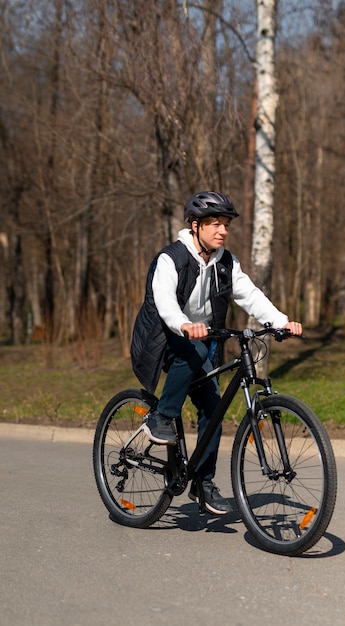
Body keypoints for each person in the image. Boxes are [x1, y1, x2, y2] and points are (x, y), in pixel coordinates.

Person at [130, 191, 302, 515]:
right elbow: (164, 300)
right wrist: (183, 324)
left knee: (214, 408)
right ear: (195, 226)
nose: (222, 230)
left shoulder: (226, 262)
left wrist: (280, 322)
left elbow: (249, 294)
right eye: (214, 223)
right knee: (192, 350)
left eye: (225, 224)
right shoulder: (171, 259)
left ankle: (202, 483)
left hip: (203, 339)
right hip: (165, 337)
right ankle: (161, 417)